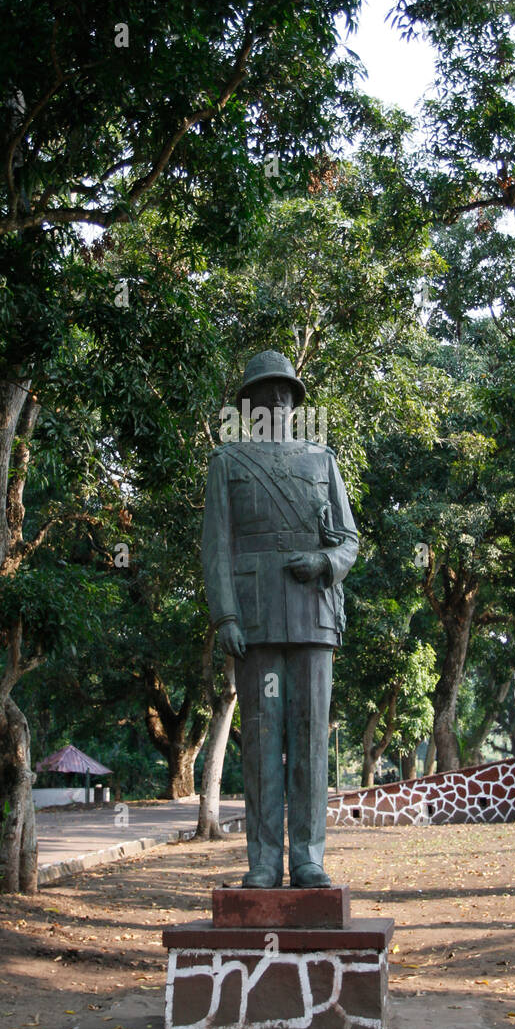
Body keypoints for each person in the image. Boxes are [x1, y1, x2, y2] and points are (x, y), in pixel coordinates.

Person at [201, 350, 358, 888]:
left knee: (312, 740)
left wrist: (324, 562)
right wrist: (225, 614)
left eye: (283, 392)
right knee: (263, 742)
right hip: (256, 618)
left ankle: (308, 857)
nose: (275, 401)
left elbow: (349, 542)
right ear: (249, 405)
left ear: (294, 401)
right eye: (263, 393)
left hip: (313, 616)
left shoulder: (323, 460)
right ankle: (264, 861)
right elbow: (217, 548)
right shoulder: (227, 462)